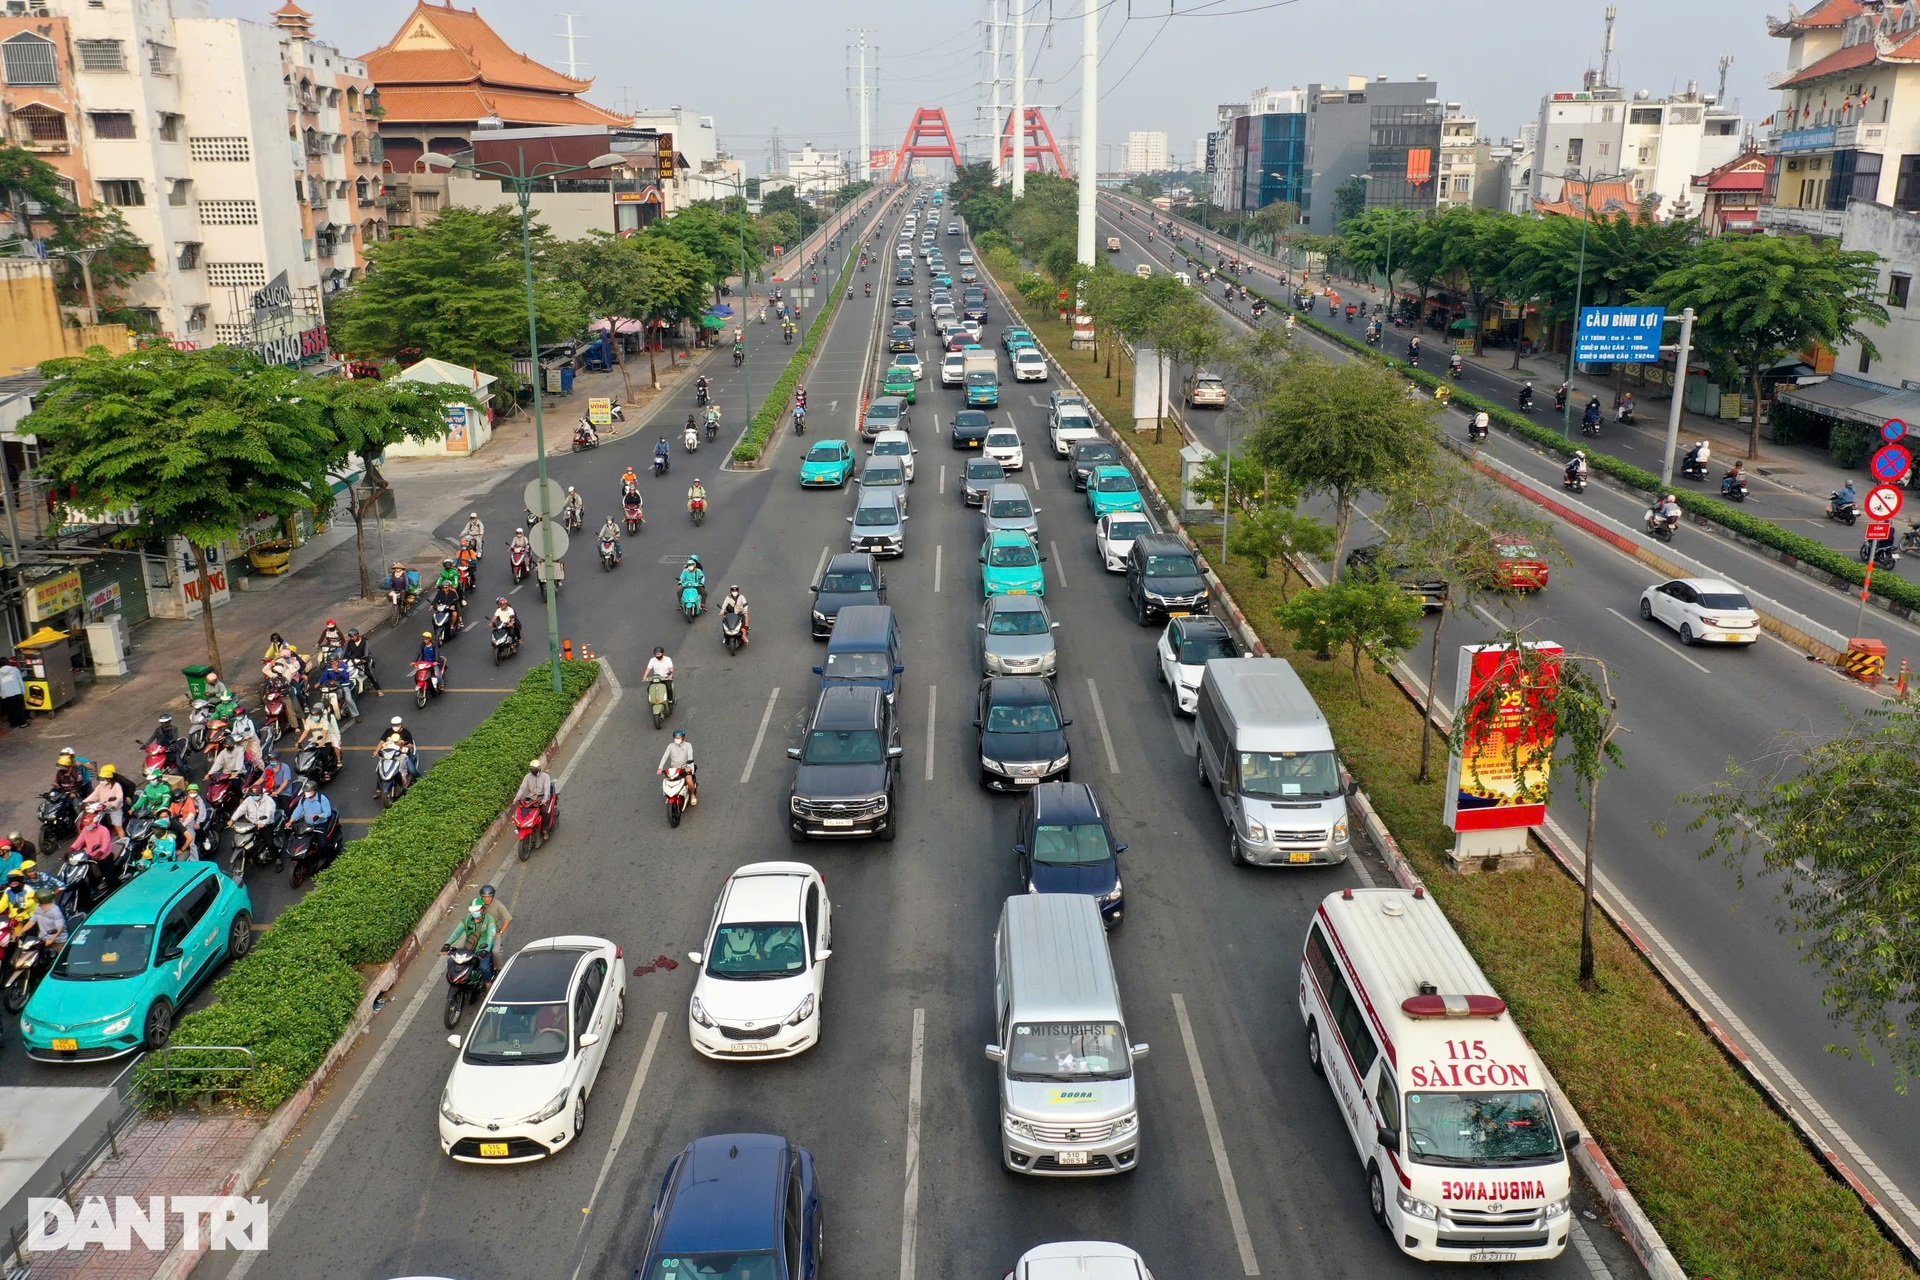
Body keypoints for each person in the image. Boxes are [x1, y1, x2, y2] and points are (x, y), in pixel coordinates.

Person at [443, 900, 500, 982]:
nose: (474, 912)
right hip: (469, 946)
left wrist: (485, 950)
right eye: (473, 911)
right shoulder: (467, 919)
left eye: (477, 910)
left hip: (483, 948)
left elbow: (490, 936)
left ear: (482, 909)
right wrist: (447, 944)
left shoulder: (489, 919)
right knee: (452, 961)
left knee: (484, 967)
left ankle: (488, 983)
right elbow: (457, 932)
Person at [657, 727, 697, 806]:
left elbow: (690, 756)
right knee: (668, 781)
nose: (677, 739)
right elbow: (665, 756)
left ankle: (692, 795)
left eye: (678, 738)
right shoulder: (670, 746)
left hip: (685, 769)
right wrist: (660, 768)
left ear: (683, 738)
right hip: (675, 769)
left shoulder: (688, 745)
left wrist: (688, 766)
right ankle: (670, 796)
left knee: (689, 780)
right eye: (675, 738)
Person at [297, 706, 341, 777]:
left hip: (326, 741)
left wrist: (323, 742)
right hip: (316, 741)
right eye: (313, 716)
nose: (314, 717)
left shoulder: (325, 722)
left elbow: (325, 733)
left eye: (316, 715)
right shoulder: (310, 722)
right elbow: (305, 732)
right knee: (309, 753)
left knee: (323, 754)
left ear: (320, 715)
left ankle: (326, 772)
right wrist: (299, 742)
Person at [318, 655, 360, 724]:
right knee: (323, 698)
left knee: (348, 699)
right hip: (333, 684)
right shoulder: (328, 667)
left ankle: (356, 715)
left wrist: (338, 671)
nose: (331, 663)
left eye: (333, 661)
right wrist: (319, 683)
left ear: (337, 660)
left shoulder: (343, 666)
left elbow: (346, 676)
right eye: (330, 662)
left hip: (344, 684)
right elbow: (324, 676)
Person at [170, 783, 209, 857]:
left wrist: (196, 822)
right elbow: (171, 811)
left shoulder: (190, 801)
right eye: (190, 792)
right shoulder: (174, 802)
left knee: (191, 842)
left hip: (188, 822)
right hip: (178, 822)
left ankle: (195, 861)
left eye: (194, 792)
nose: (192, 794)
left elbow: (192, 814)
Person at [87, 764, 127, 836]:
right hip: (102, 809)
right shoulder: (100, 786)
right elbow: (94, 795)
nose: (101, 781)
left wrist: (113, 804)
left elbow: (119, 798)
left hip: (114, 809)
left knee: (118, 827)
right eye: (101, 779)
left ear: (108, 779)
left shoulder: (116, 786)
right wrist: (86, 802)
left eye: (103, 779)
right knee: (95, 824)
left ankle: (124, 842)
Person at [344, 627, 379, 692]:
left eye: (353, 637)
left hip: (364, 659)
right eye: (351, 637)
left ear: (357, 635)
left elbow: (366, 651)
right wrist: (343, 658)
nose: (352, 638)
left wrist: (365, 659)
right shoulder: (350, 642)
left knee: (369, 674)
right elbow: (346, 652)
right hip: (354, 659)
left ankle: (378, 689)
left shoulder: (364, 641)